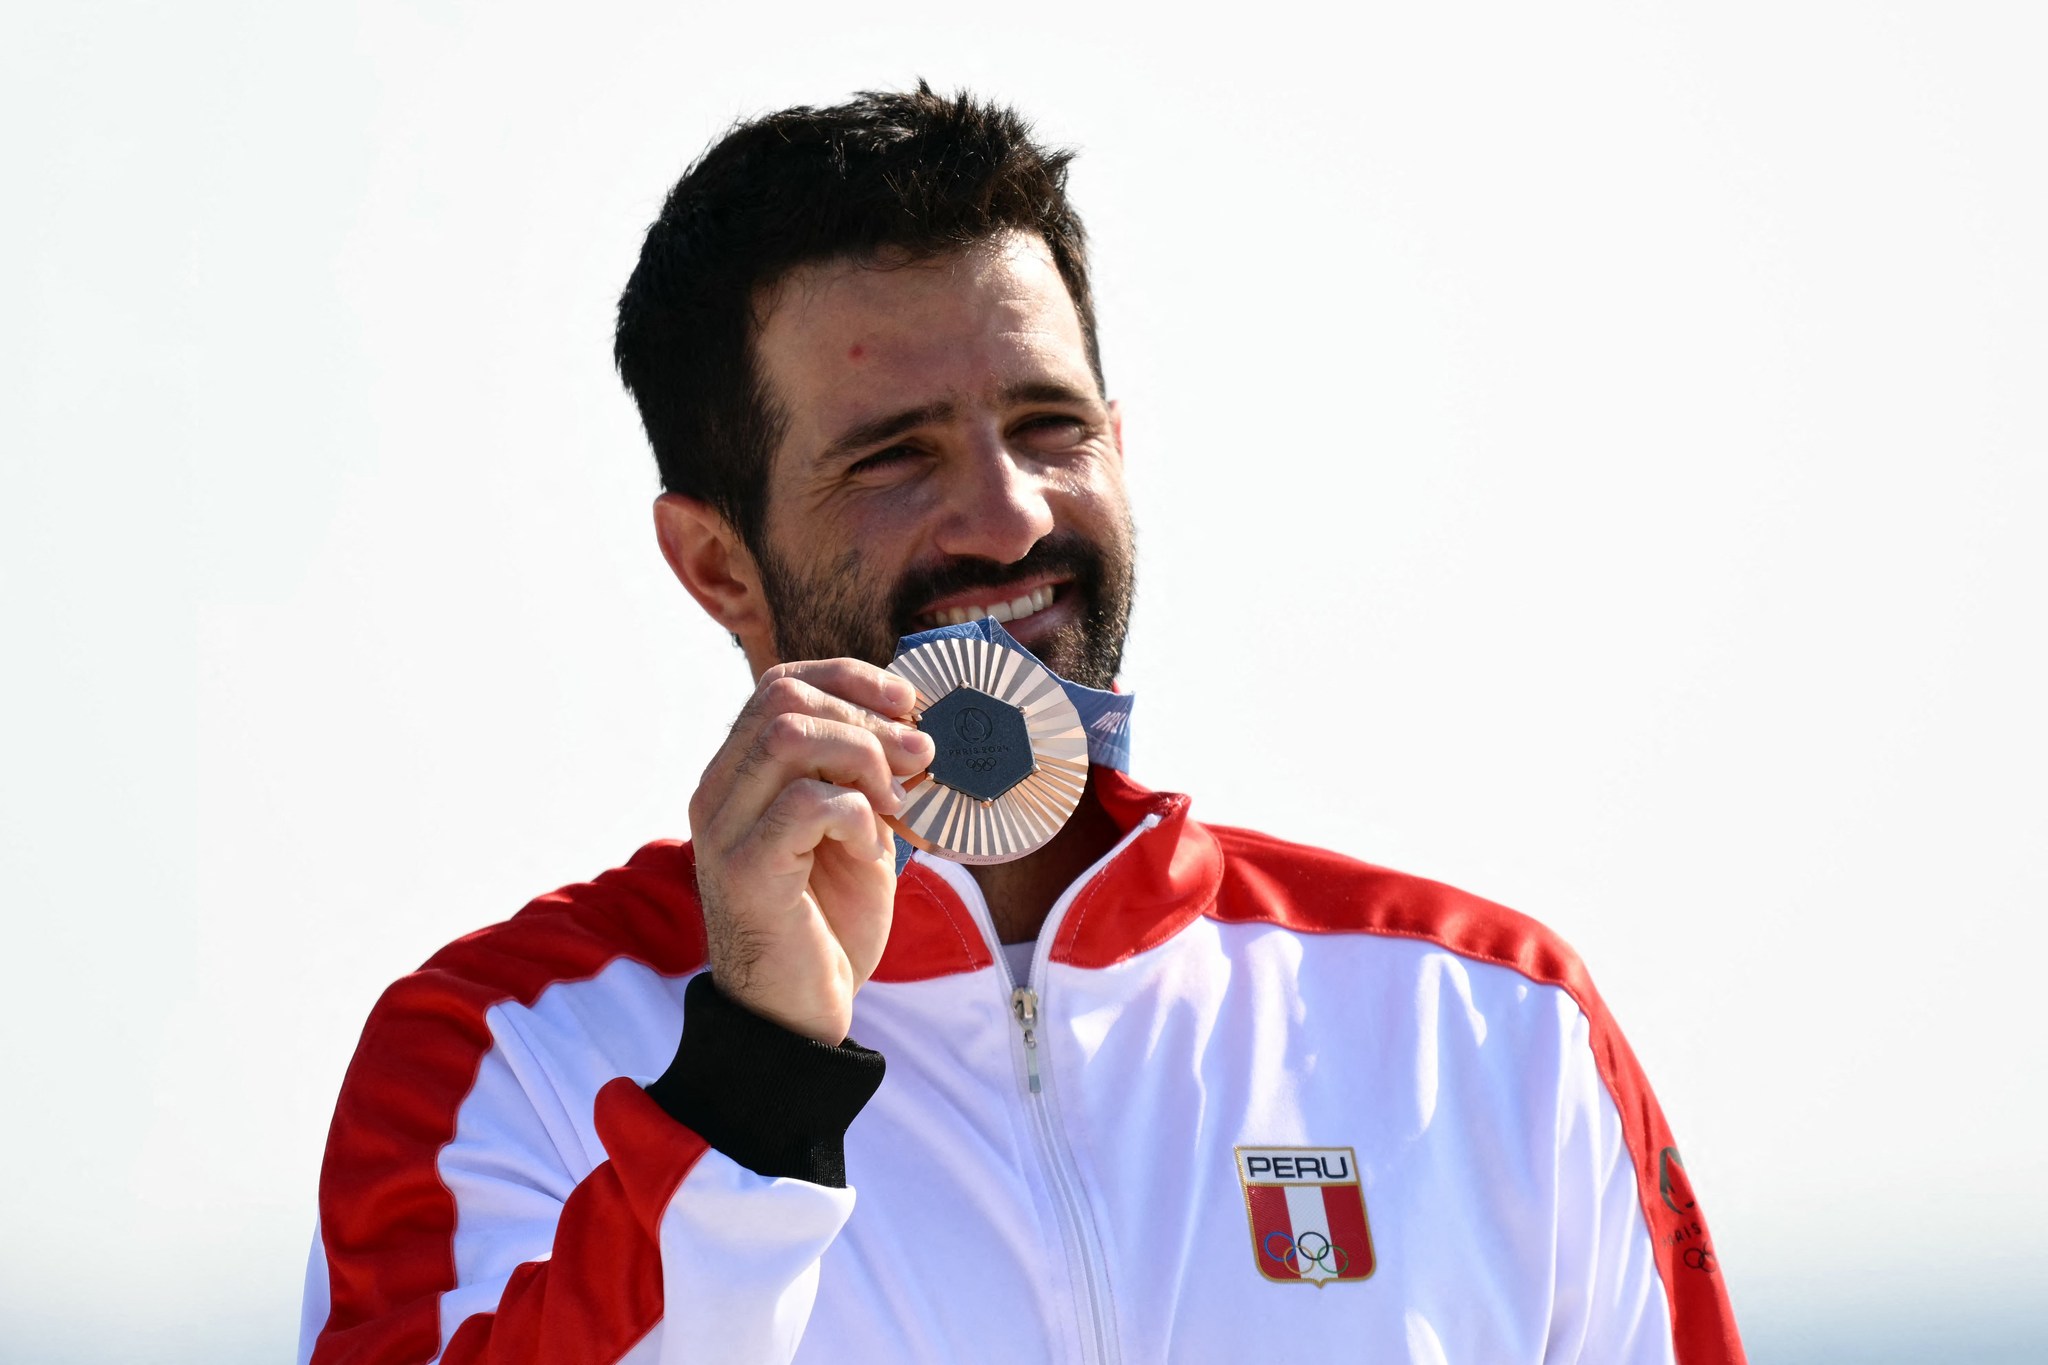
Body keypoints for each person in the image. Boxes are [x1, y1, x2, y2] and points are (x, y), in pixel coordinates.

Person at [299, 84, 1745, 1365]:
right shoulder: (501, 1054)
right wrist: (753, 1081)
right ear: (718, 564)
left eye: (1052, 426)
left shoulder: (1485, 1020)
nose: (1008, 515)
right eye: (894, 455)